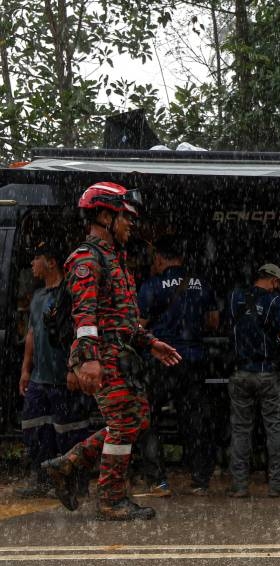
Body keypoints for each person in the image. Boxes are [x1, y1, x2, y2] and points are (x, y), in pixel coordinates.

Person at [42, 182, 182, 521]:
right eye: (124, 217)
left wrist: (149, 343)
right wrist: (87, 359)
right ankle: (110, 498)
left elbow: (122, 318)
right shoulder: (87, 259)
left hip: (120, 353)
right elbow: (85, 314)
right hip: (102, 355)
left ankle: (69, 463)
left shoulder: (115, 259)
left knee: (137, 418)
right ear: (105, 216)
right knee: (124, 422)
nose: (130, 224)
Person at [137, 235, 220, 496]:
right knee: (195, 419)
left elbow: (139, 327)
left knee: (148, 418)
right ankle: (200, 479)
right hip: (193, 359)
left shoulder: (152, 286)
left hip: (160, 360)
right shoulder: (202, 284)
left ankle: (157, 480)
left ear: (160, 259)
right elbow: (214, 322)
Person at [16, 241, 92, 499]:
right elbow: (31, 334)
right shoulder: (38, 297)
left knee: (70, 432)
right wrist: (26, 370)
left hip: (64, 378)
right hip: (40, 378)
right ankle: (43, 479)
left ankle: (76, 484)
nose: (32, 264)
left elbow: (77, 334)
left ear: (50, 261)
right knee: (34, 427)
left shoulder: (69, 295)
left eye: (36, 258)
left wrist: (73, 368)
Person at [226, 263, 280, 498]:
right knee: (274, 428)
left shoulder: (235, 297)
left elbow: (218, 324)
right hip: (268, 373)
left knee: (240, 431)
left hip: (240, 373)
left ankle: (239, 486)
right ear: (275, 282)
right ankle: (277, 485)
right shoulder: (276, 302)